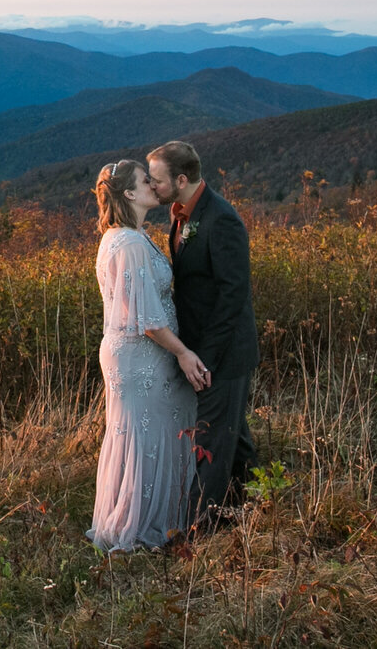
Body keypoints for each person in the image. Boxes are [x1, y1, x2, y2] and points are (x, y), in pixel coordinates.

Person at [86, 159, 210, 553]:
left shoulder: (122, 237)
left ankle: (141, 520)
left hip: (130, 353)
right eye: (146, 181)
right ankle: (144, 527)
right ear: (129, 194)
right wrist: (184, 353)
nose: (154, 186)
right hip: (144, 355)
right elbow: (148, 321)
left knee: (137, 435)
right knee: (148, 434)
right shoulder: (131, 243)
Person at [146, 140, 258, 529]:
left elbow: (233, 296)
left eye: (156, 180)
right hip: (202, 348)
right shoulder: (179, 215)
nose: (151, 186)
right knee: (234, 440)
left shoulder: (221, 220)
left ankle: (199, 535)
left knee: (211, 441)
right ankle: (255, 510)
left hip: (223, 354)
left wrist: (203, 358)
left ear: (181, 179)